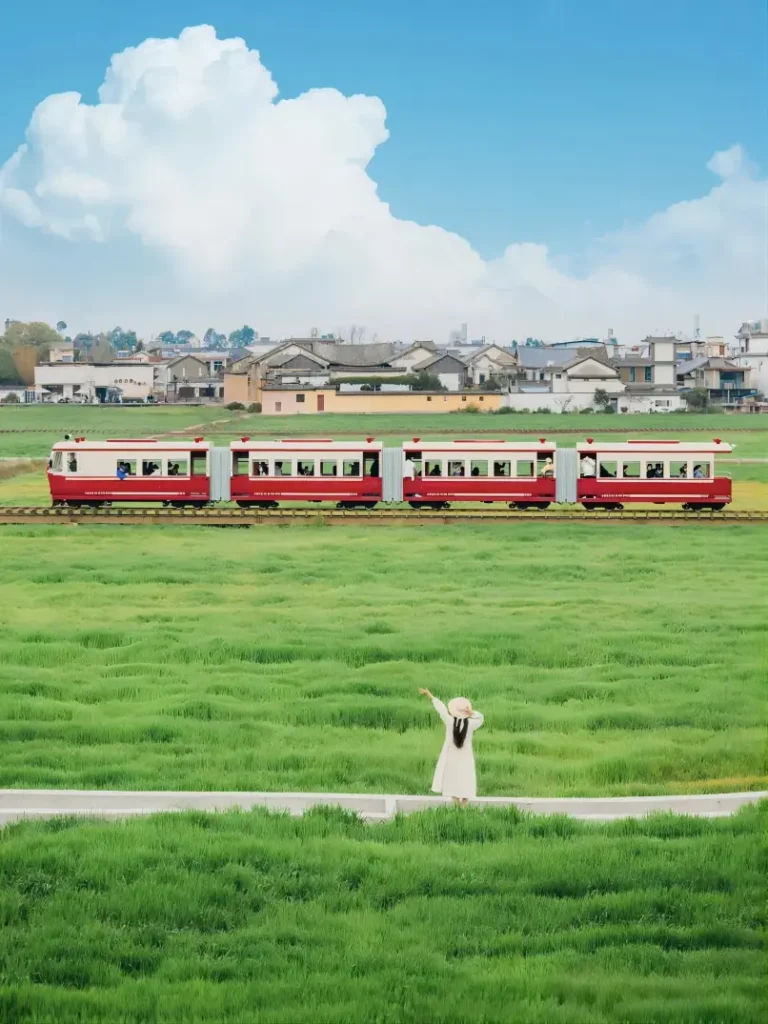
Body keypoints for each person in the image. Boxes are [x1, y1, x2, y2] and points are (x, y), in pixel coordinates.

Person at [418, 687, 484, 807]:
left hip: (451, 755)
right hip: (466, 755)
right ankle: (464, 806)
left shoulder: (449, 721)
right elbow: (480, 718)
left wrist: (430, 695)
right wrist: (472, 712)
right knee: (465, 777)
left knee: (452, 779)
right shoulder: (470, 724)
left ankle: (456, 807)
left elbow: (442, 709)